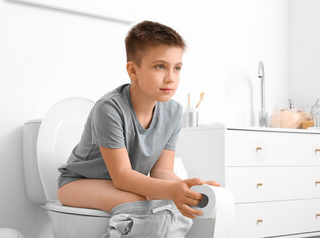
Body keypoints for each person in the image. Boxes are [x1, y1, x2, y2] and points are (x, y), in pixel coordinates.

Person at [57, 20, 219, 222]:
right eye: (160, 66)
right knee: (144, 206)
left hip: (124, 185)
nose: (171, 78)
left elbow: (162, 172)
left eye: (177, 68)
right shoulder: (109, 109)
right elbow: (123, 175)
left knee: (165, 207)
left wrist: (190, 188)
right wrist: (171, 191)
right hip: (79, 184)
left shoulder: (174, 112)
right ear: (133, 71)